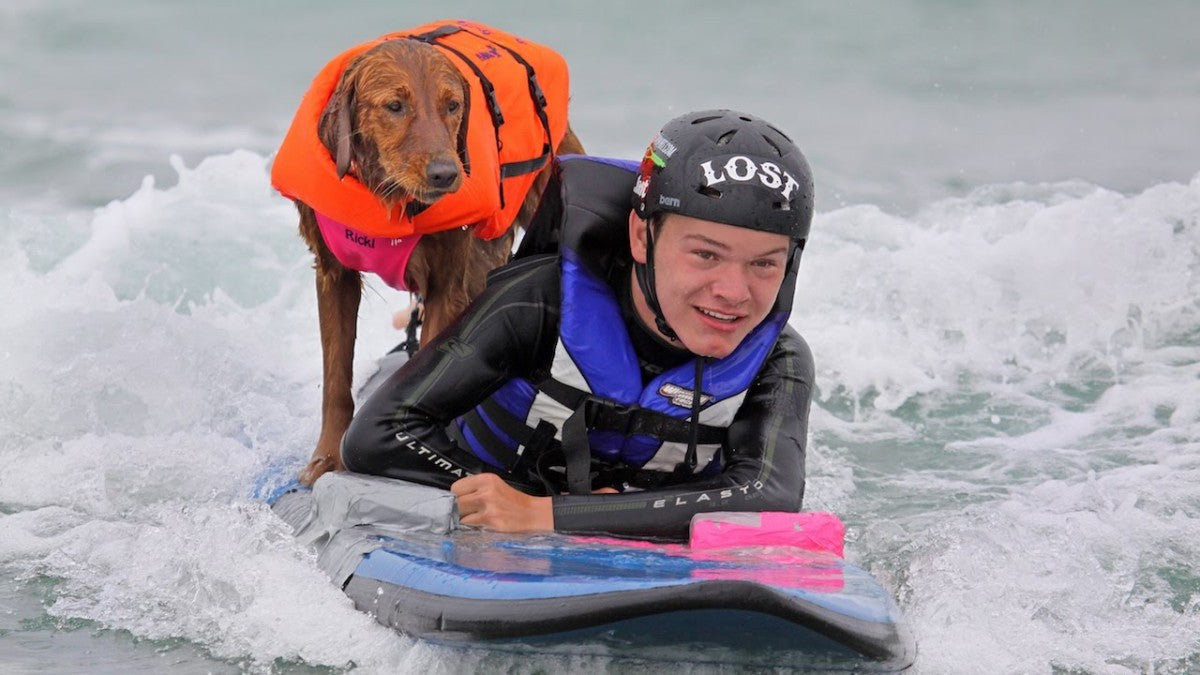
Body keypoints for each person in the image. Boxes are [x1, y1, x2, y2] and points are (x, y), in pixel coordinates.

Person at [340, 109, 816, 540]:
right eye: (706, 255)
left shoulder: (779, 359)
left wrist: (558, 515)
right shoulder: (538, 302)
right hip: (493, 465)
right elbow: (377, 435)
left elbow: (768, 495)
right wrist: (523, 501)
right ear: (641, 236)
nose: (734, 292)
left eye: (764, 264)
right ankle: (421, 318)